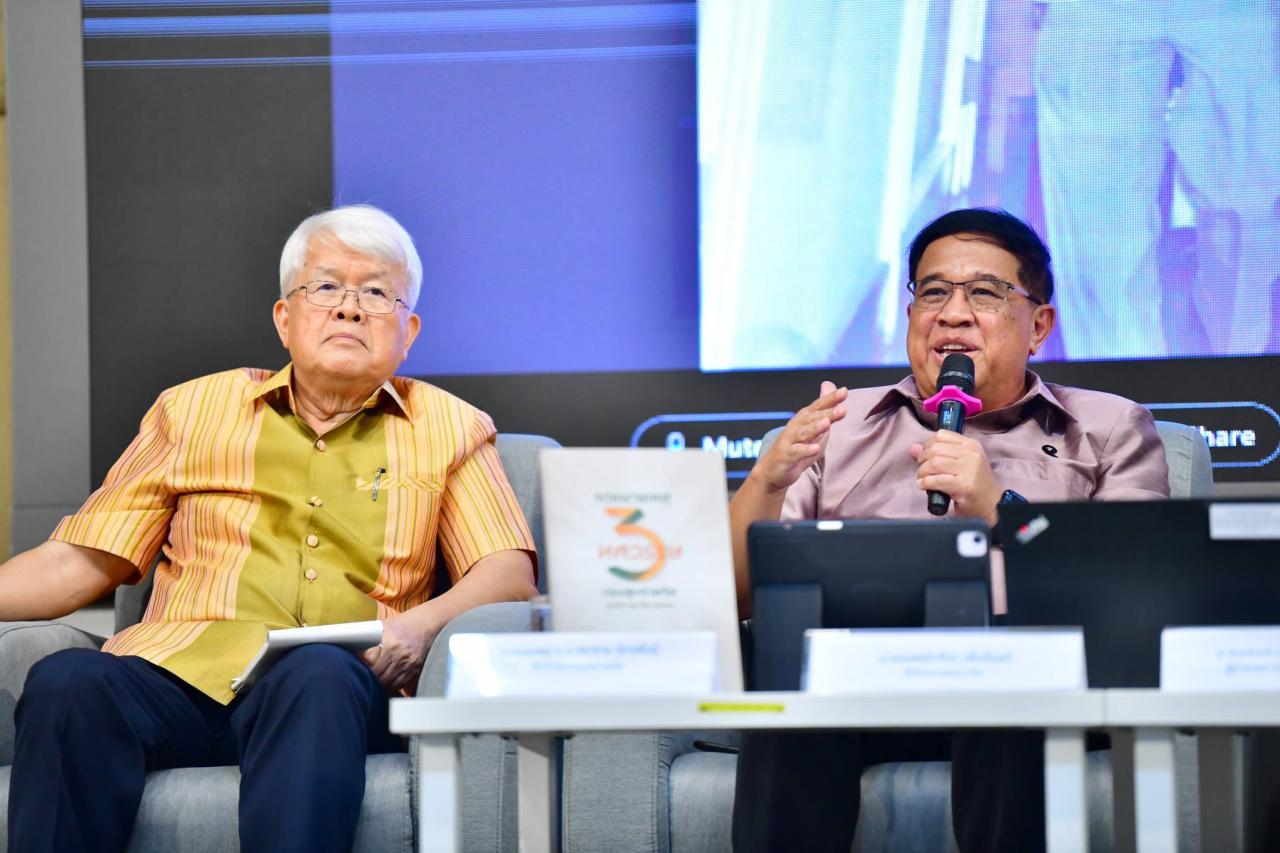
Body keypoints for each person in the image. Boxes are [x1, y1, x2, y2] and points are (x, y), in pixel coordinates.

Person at [1, 205, 538, 853]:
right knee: (68, 680)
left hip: (336, 690)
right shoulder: (192, 410)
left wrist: (419, 627)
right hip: (177, 675)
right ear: (285, 318)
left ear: (409, 331)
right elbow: (79, 563)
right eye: (326, 287)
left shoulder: (452, 426)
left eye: (376, 293)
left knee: (316, 671)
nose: (349, 309)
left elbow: (508, 573)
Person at [729, 207, 1169, 852]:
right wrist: (767, 481)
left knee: (1013, 683)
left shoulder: (1108, 429)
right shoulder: (836, 427)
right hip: (858, 687)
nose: (953, 315)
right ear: (911, 315)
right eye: (933, 293)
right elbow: (738, 601)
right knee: (791, 688)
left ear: (1039, 325)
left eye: (985, 294)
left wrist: (997, 507)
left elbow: (1131, 593)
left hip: (1029, 694)